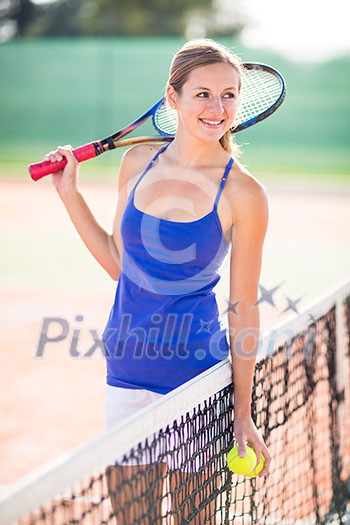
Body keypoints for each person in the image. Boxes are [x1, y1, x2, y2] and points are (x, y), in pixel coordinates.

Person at [46, 38, 271, 523]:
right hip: (126, 371)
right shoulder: (137, 162)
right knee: (131, 518)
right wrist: (70, 195)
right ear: (173, 98)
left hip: (194, 380)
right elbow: (119, 265)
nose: (217, 107)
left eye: (229, 95)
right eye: (203, 94)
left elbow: (244, 308)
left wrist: (243, 410)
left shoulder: (245, 193)